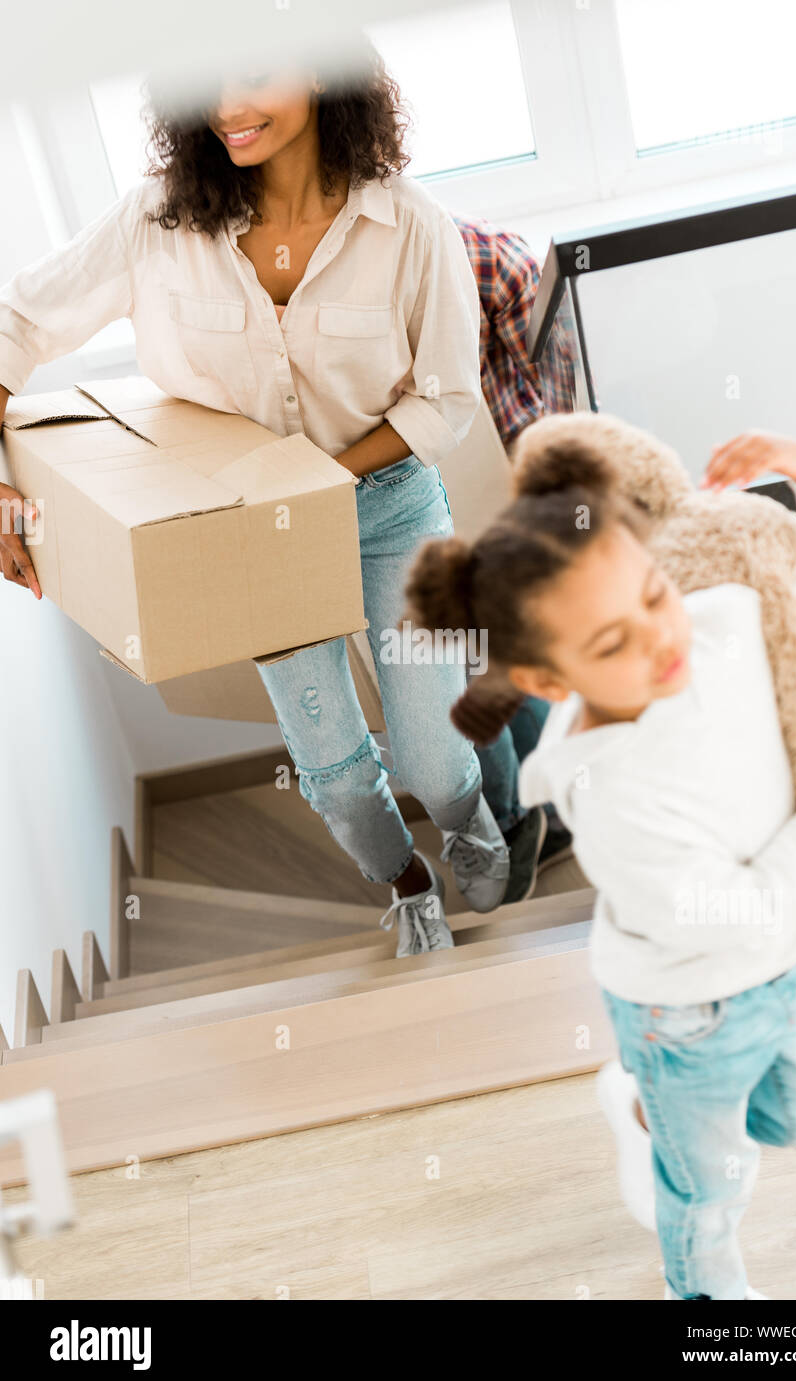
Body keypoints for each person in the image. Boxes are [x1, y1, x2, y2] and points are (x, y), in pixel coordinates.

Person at [0, 43, 509, 957]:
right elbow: (18, 321)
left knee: (434, 762)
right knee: (339, 776)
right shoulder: (156, 221)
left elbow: (445, 401)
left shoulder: (409, 226)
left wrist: (323, 481)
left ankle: (469, 818)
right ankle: (408, 884)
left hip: (389, 506)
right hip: (254, 536)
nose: (227, 103)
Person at [403, 416, 796, 1299]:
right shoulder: (617, 797)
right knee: (708, 1190)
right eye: (611, 642)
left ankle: (646, 1108)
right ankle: (706, 1304)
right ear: (545, 682)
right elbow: (739, 917)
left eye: (654, 593)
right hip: (688, 1011)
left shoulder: (718, 619)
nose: (661, 638)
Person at [452, 214, 574, 901]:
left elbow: (553, 397)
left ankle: (523, 816)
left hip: (500, 498)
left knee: (486, 664)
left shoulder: (483, 258)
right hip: (412, 503)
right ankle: (535, 815)